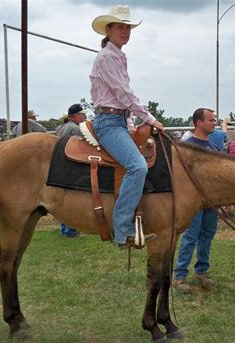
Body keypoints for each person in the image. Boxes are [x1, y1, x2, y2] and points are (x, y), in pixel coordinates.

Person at [90, 4, 164, 249]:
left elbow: (121, 98)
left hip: (118, 120)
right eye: (121, 27)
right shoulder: (108, 57)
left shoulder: (118, 56)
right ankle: (122, 231)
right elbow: (124, 93)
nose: (126, 31)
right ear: (108, 30)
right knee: (137, 166)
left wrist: (132, 122)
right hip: (109, 123)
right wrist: (151, 119)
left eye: (128, 27)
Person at [173, 108, 218, 294]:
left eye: (214, 120)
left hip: (211, 202)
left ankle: (201, 271)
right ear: (199, 122)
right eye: (211, 120)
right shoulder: (186, 147)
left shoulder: (214, 148)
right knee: (190, 236)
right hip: (194, 203)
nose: (214, 122)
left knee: (207, 235)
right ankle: (180, 275)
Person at [58, 103, 88, 237]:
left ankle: (65, 228)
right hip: (72, 165)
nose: (85, 117)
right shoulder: (76, 129)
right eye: (83, 114)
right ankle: (71, 230)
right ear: (76, 116)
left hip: (63, 165)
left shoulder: (64, 127)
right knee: (73, 199)